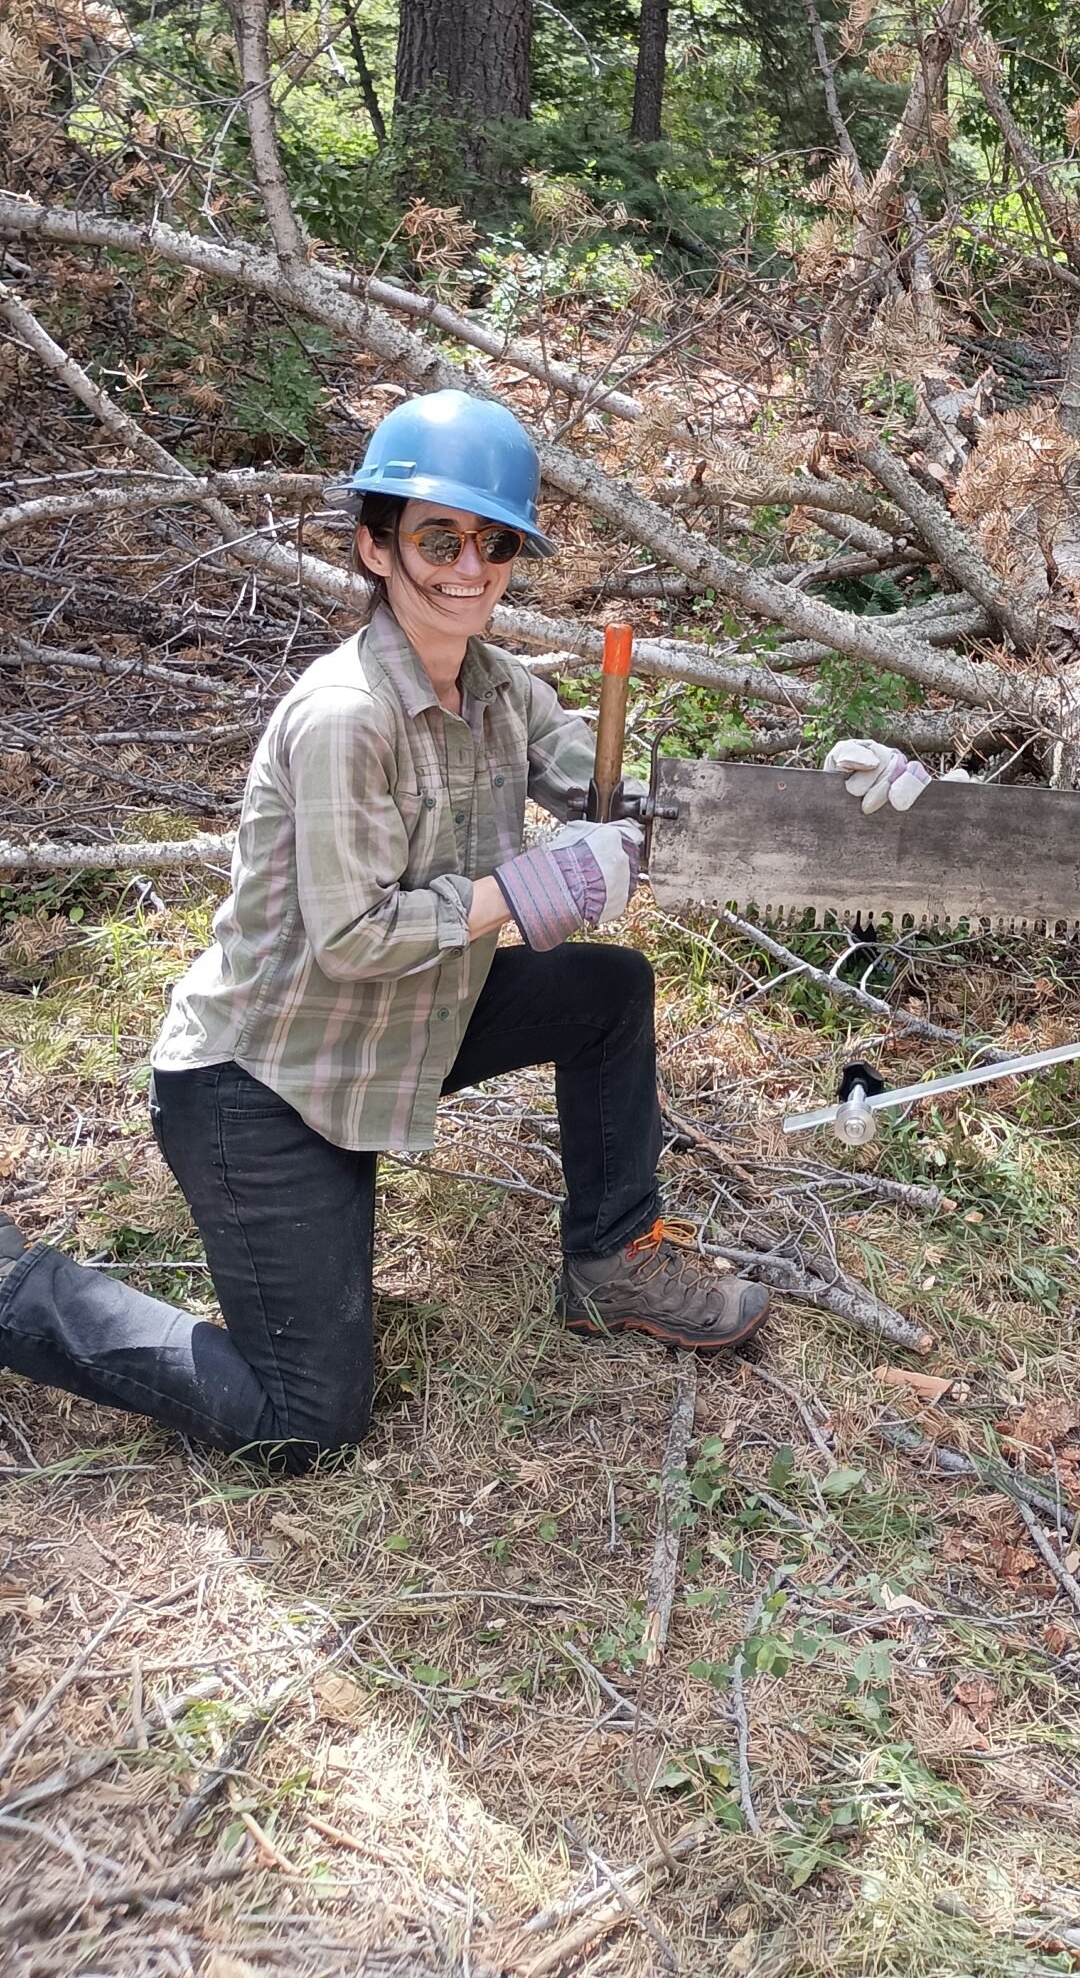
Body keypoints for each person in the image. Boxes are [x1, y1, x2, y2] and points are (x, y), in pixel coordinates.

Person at [0, 391, 770, 1474]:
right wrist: (537, 882)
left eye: (493, 542)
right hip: (262, 1079)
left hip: (396, 1024)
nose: (469, 567)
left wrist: (802, 805)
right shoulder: (343, 715)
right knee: (305, 1417)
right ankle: (12, 1289)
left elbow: (612, 805)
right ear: (374, 545)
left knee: (606, 991)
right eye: (436, 538)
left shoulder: (497, 686)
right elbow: (354, 939)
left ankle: (611, 1263)